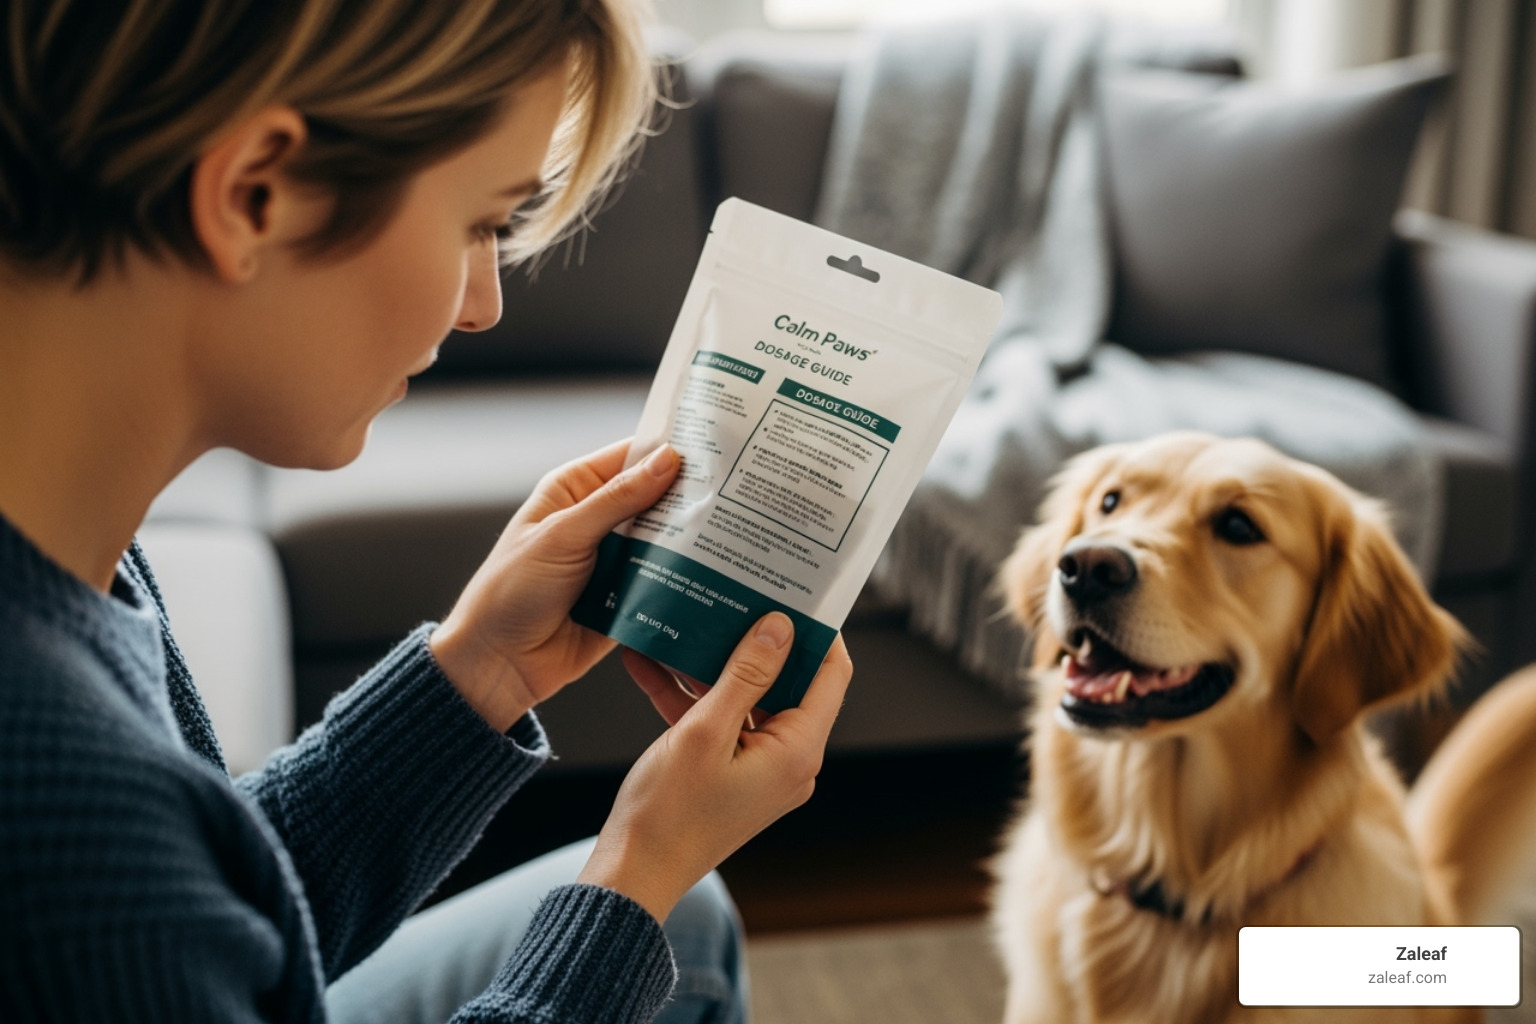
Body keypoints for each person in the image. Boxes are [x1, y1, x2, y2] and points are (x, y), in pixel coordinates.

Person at [0, 1, 854, 1022]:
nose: (483, 305)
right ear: (256, 194)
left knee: (688, 926)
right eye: (481, 221)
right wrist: (641, 865)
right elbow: (138, 901)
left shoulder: (71, 541)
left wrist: (478, 671)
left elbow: (206, 914)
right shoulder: (58, 800)